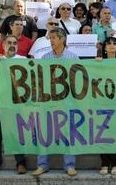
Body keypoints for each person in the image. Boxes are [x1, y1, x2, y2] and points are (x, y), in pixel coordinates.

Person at [32, 28, 78, 177]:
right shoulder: (45, 58)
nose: (50, 41)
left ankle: (70, 165)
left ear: (62, 39)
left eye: (53, 38)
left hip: (68, 102)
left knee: (69, 134)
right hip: (49, 102)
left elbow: (78, 81)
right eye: (50, 38)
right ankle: (42, 165)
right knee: (45, 133)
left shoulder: (73, 57)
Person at [0, 35, 27, 175]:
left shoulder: (23, 60)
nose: (12, 45)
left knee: (16, 134)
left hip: (16, 104)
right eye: (9, 43)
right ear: (4, 45)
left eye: (15, 43)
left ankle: (20, 163)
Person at [98, 36, 116, 175]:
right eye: (109, 44)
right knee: (103, 133)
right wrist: (96, 65)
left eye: (115, 44)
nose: (112, 46)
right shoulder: (98, 63)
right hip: (102, 103)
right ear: (105, 48)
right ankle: (104, 163)